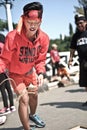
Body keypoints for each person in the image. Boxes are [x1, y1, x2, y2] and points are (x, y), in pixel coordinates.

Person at [0, 2, 49, 130]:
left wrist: (40, 72)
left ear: (40, 21)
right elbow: (4, 59)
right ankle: (27, 128)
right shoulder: (12, 37)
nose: (32, 26)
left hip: (30, 72)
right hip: (15, 75)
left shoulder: (44, 38)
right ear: (23, 19)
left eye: (36, 22)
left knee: (34, 96)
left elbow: (41, 59)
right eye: (29, 22)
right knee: (24, 99)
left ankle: (32, 115)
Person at [68, 14, 87, 106]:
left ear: (85, 22)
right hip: (82, 61)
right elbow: (72, 48)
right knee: (85, 82)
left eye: (81, 23)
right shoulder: (76, 36)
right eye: (77, 24)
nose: (79, 25)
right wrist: (70, 59)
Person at [0, 33, 16, 115]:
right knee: (8, 88)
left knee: (2, 88)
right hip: (5, 66)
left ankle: (6, 107)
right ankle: (12, 105)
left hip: (0, 68)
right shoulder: (5, 46)